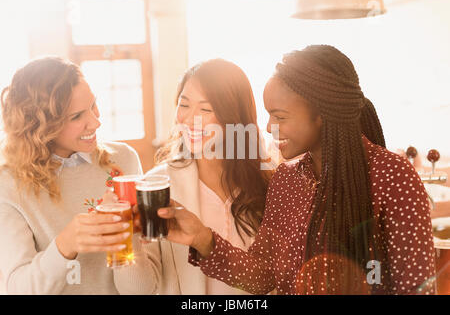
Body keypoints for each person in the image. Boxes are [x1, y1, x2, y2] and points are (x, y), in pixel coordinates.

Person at [156, 45, 436, 295]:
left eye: (279, 116)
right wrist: (202, 238)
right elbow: (263, 275)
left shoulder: (392, 176)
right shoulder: (286, 180)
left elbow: (416, 288)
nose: (268, 127)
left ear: (321, 114)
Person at [0, 57, 160, 294]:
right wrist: (67, 244)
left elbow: (141, 290)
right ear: (39, 124)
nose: (96, 122)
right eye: (76, 117)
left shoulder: (123, 160)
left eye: (93, 105)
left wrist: (125, 232)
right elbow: (18, 289)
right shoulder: (9, 185)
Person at [143, 58, 273, 294]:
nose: (191, 119)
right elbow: (139, 289)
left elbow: (275, 277)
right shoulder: (156, 185)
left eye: (206, 109)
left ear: (234, 117)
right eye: (184, 105)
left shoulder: (267, 183)